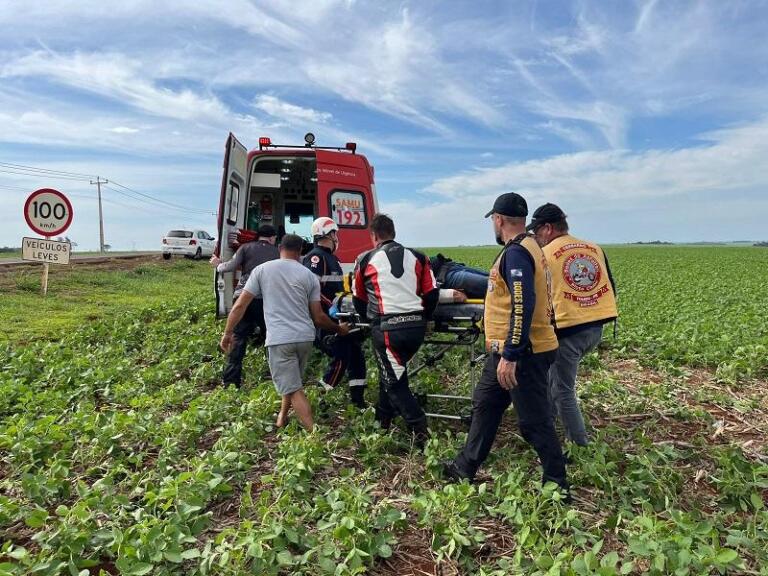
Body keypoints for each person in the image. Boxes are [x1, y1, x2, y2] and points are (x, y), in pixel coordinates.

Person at [443, 192, 569, 495]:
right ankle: (465, 467)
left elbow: (522, 303)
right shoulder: (531, 246)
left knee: (534, 422)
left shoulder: (515, 253)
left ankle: (557, 485)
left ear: (498, 220)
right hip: (506, 350)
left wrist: (512, 355)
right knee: (485, 404)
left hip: (522, 353)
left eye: (494, 221)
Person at [219, 234, 349, 430]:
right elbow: (319, 317)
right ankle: (282, 417)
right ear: (301, 252)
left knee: (294, 387)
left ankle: (313, 434)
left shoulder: (262, 270)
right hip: (305, 338)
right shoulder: (308, 276)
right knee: (291, 380)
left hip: (280, 339)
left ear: (280, 247)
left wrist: (228, 333)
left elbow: (240, 306)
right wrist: (339, 328)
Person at [528, 203, 618, 446]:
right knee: (552, 378)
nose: (536, 238)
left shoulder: (545, 255)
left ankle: (579, 445)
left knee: (562, 390)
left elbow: (533, 294)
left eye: (536, 232)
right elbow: (611, 285)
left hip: (569, 332)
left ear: (547, 228)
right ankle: (547, 420)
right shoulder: (594, 248)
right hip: (596, 327)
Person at [352, 214, 439, 447]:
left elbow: (358, 298)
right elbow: (432, 293)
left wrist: (368, 320)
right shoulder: (419, 257)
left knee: (395, 383)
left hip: (388, 330)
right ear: (394, 232)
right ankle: (383, 420)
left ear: (374, 236)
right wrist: (426, 317)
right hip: (415, 329)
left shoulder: (364, 259)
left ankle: (420, 432)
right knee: (390, 374)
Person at [303, 217, 368, 408]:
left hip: (341, 316)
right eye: (335, 234)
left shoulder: (333, 259)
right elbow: (312, 290)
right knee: (342, 357)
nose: (336, 238)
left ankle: (358, 400)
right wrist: (331, 305)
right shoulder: (316, 257)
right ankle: (321, 398)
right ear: (328, 234)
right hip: (327, 318)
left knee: (356, 355)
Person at [210, 224, 279, 387]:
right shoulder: (277, 252)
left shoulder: (245, 248)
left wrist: (218, 264)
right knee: (271, 335)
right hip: (266, 299)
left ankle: (231, 382)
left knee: (238, 337)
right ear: (271, 238)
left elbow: (230, 267)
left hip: (243, 297)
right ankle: (275, 375)